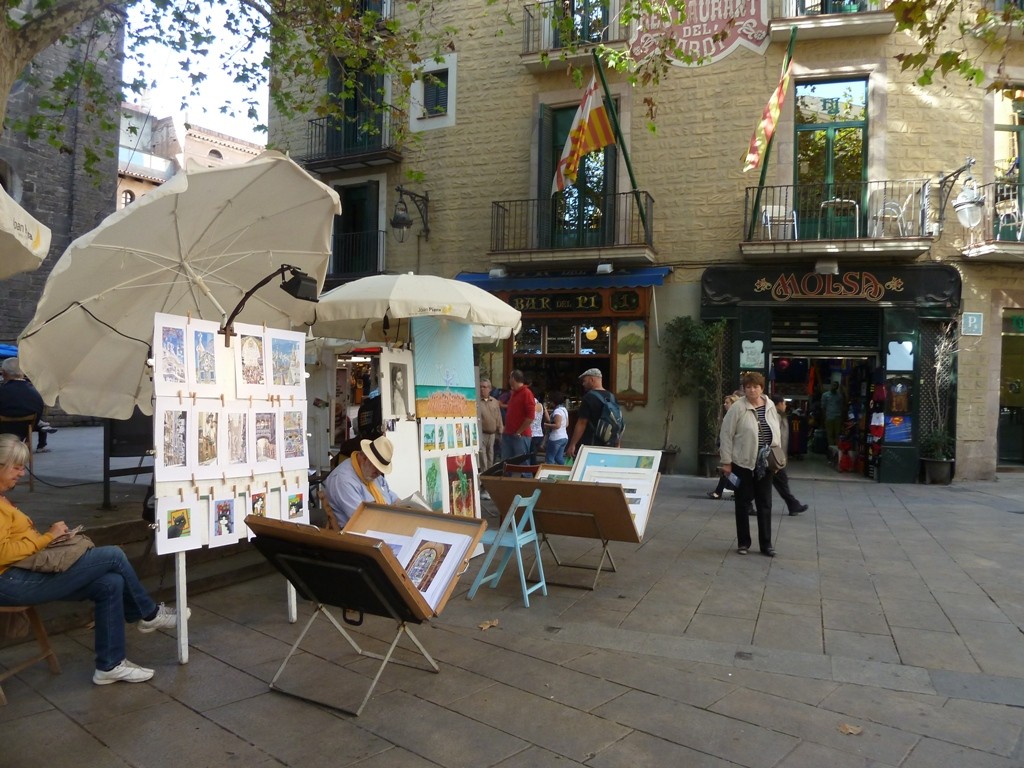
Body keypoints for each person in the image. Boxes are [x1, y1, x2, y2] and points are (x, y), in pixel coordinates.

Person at [0, 434, 186, 685]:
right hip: (10, 581)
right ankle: (148, 614)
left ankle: (110, 665)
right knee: (113, 555)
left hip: (22, 572)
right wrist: (46, 538)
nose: (22, 473)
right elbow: (2, 552)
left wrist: (50, 538)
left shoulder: (3, 498)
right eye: (17, 467)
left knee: (110, 583)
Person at [719, 371, 782, 557]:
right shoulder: (737, 408)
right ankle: (743, 542)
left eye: (755, 387)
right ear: (744, 389)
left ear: (762, 388)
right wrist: (726, 462)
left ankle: (766, 544)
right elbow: (726, 435)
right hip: (742, 463)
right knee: (742, 502)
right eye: (748, 387)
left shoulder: (770, 405)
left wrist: (777, 458)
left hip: (765, 462)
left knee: (765, 503)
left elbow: (776, 430)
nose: (752, 390)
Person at [323, 434, 398, 528]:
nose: (379, 473)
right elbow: (361, 518)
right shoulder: (344, 480)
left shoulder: (372, 474)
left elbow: (393, 499)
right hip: (359, 531)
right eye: (376, 467)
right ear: (364, 458)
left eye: (381, 470)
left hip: (381, 523)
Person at [0, 358, 57, 453]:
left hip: (3, 431)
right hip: (26, 429)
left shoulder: (2, 391)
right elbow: (39, 412)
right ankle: (42, 434)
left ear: (4, 373)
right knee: (39, 420)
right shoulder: (35, 392)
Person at [566, 368, 621, 459]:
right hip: (610, 442)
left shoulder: (589, 397)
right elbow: (618, 420)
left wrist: (572, 444)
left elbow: (582, 423)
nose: (583, 384)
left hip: (591, 442)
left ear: (592, 379)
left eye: (584, 381)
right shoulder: (612, 397)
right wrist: (617, 442)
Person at [771, 395, 809, 516]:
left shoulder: (781, 416)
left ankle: (793, 505)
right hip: (774, 456)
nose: (785, 405)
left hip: (778, 456)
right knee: (781, 482)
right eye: (784, 403)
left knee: (779, 482)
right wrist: (779, 457)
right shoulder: (774, 416)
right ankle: (793, 505)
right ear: (779, 404)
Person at [708, 393, 742, 499]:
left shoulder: (735, 416)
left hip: (734, 450)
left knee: (728, 472)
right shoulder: (728, 416)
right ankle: (736, 491)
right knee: (729, 472)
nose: (725, 404)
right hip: (730, 448)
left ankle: (722, 492)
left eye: (727, 403)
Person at [500, 370, 535, 461]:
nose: (508, 380)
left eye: (509, 378)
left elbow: (531, 416)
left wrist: (519, 431)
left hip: (520, 436)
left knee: (521, 464)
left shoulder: (526, 393)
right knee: (506, 463)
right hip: (509, 433)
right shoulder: (514, 393)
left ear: (513, 379)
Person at [477, 378, 501, 473]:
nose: (482, 389)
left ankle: (490, 475)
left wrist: (500, 430)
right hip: (482, 433)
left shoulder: (494, 401)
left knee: (491, 455)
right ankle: (484, 476)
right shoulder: (477, 402)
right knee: (483, 457)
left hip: (492, 434)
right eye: (480, 387)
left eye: (484, 387)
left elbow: (498, 417)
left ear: (490, 388)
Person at [543, 392, 569, 465]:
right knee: (558, 458)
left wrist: (545, 424)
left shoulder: (557, 411)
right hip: (564, 437)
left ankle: (549, 474)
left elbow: (557, 425)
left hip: (555, 438)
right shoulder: (564, 409)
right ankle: (567, 470)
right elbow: (567, 424)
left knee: (549, 459)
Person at [821, 380, 845, 448]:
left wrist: (842, 417)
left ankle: (837, 448)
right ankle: (831, 448)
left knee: (837, 434)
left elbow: (841, 407)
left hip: (838, 417)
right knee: (830, 434)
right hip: (829, 417)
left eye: (836, 386)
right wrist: (824, 417)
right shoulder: (825, 395)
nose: (834, 387)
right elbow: (823, 407)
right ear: (831, 386)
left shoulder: (839, 396)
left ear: (837, 387)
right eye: (833, 385)